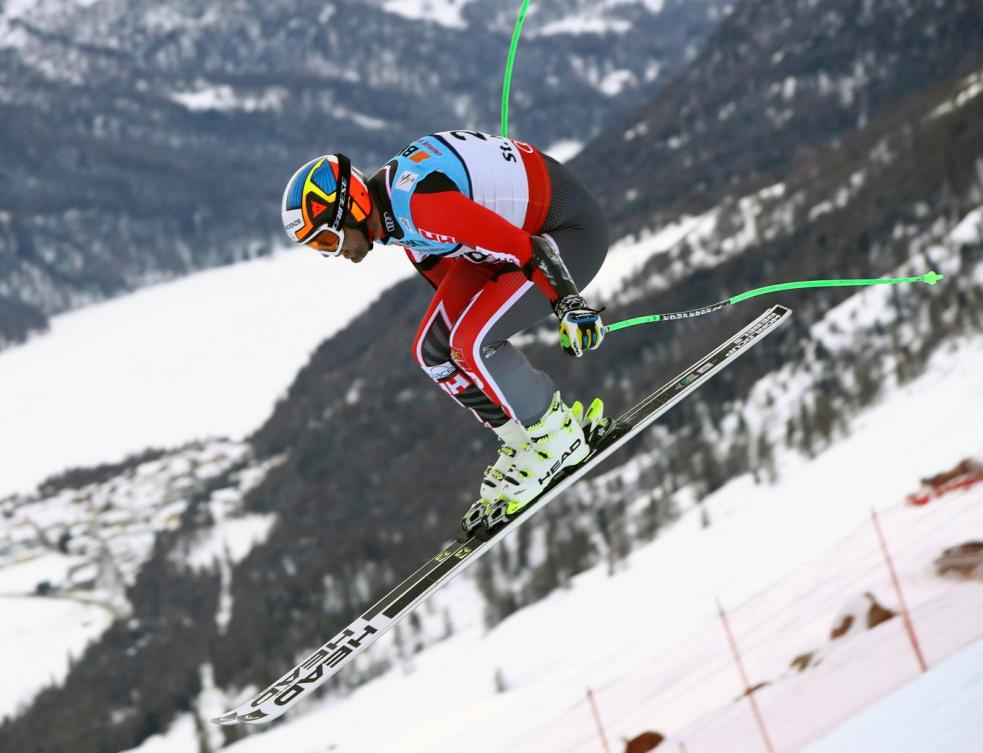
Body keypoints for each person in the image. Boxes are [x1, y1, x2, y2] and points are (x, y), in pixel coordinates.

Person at [281, 130, 609, 531]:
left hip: (569, 233)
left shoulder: (419, 207)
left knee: (471, 343)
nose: (336, 254)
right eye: (319, 250)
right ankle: (524, 440)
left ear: (353, 206)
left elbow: (528, 250)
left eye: (329, 240)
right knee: (434, 351)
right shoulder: (400, 228)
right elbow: (463, 296)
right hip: (526, 240)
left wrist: (568, 304)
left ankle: (557, 437)